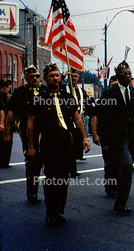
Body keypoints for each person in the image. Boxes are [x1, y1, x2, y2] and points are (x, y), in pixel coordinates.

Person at [27, 62, 90, 226]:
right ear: (45, 79)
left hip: (66, 144)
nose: (55, 78)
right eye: (51, 76)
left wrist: (84, 137)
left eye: (57, 75)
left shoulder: (67, 97)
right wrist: (31, 146)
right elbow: (31, 123)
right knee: (51, 178)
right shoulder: (39, 99)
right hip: (48, 144)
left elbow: (77, 118)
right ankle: (51, 211)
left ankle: (60, 210)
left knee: (63, 179)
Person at [96, 61, 134, 215]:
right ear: (118, 76)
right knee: (126, 165)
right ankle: (120, 202)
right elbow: (103, 120)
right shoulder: (109, 94)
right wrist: (104, 142)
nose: (128, 76)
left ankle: (120, 196)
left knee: (126, 168)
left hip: (133, 137)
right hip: (117, 139)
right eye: (124, 74)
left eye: (129, 73)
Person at [4, 65, 44, 202]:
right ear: (26, 78)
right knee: (32, 159)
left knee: (44, 160)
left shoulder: (44, 91)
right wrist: (8, 132)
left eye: (37, 76)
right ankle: (31, 192)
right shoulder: (20, 92)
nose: (35, 79)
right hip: (27, 128)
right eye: (32, 77)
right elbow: (10, 114)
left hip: (43, 128)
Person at [0, 78, 13, 168]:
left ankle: (6, 162)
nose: (5, 88)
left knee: (8, 142)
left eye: (7, 87)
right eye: (3, 87)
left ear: (9, 88)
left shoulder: (11, 98)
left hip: (9, 122)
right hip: (1, 121)